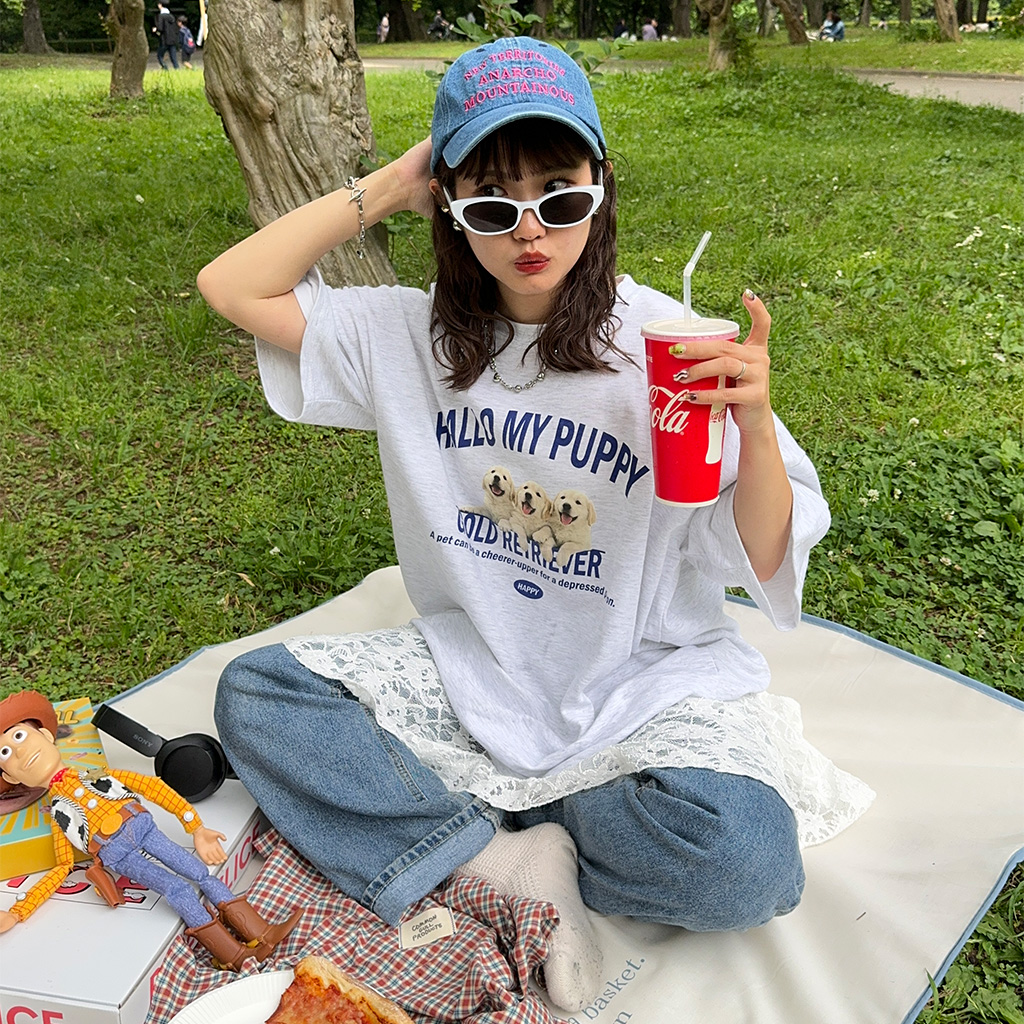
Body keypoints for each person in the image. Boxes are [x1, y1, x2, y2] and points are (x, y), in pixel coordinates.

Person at [198, 37, 871, 1013]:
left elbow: (761, 554)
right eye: (490, 202)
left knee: (741, 863)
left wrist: (755, 424)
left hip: (639, 687)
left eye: (559, 195)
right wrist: (389, 186)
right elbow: (232, 288)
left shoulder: (668, 348)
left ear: (600, 187)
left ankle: (462, 828)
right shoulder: (408, 336)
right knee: (260, 694)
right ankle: (506, 861)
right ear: (448, 206)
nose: (529, 231)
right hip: (478, 668)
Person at [0, 690, 303, 967]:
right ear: (11, 778)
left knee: (199, 872)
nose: (20, 752)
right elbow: (61, 867)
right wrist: (19, 911)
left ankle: (261, 932)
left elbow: (152, 787)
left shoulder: (97, 775)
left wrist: (195, 827)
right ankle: (234, 955)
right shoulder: (59, 814)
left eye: (19, 737)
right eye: (5, 753)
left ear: (44, 734)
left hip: (144, 827)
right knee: (177, 889)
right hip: (118, 855)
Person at [152, 1, 179, 69]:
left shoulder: (161, 16)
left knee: (160, 55)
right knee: (173, 58)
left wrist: (156, 29)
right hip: (172, 39)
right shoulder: (171, 16)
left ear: (160, 5)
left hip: (164, 40)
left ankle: (165, 68)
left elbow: (160, 28)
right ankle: (177, 69)